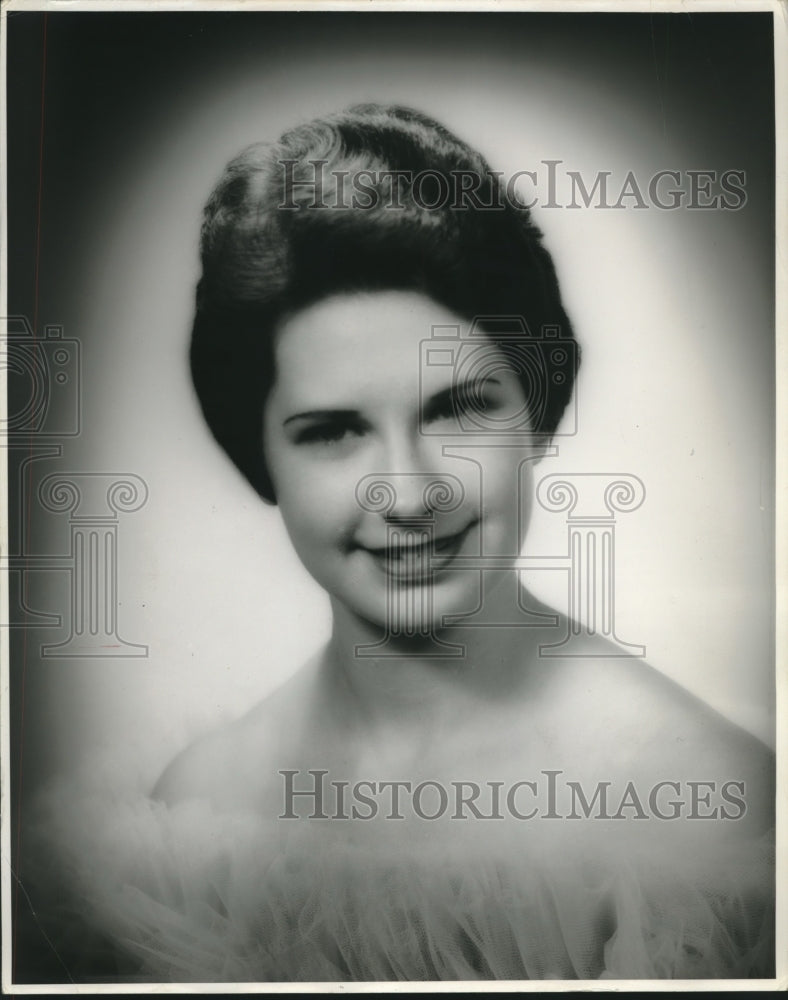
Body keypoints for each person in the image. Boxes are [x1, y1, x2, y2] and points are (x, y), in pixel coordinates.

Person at [26, 104, 774, 982]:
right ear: (258, 454)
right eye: (334, 431)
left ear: (535, 413)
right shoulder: (197, 809)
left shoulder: (698, 812)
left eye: (458, 408)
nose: (411, 492)